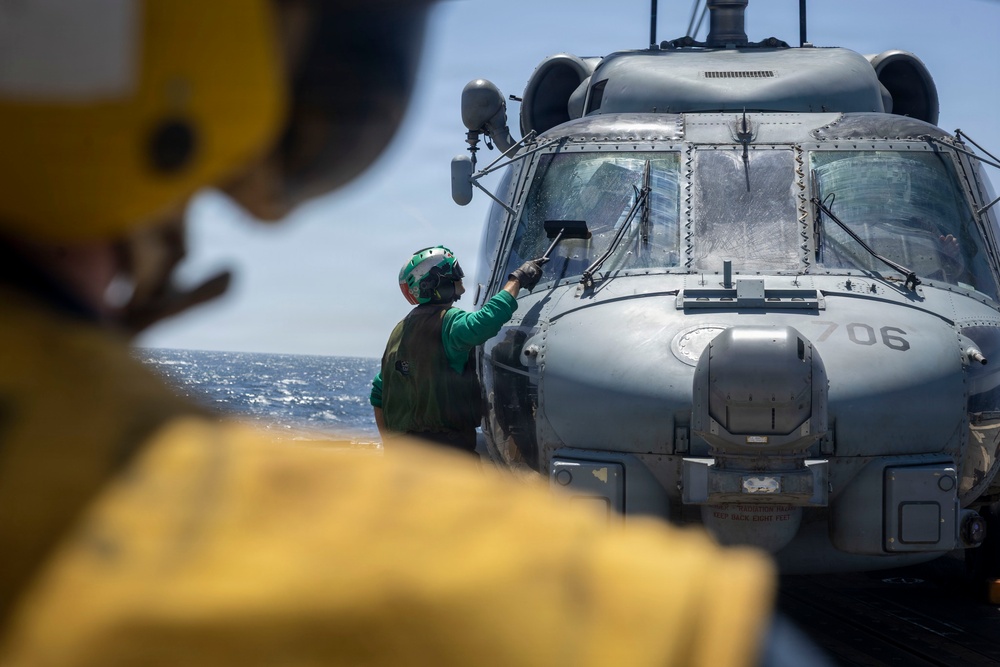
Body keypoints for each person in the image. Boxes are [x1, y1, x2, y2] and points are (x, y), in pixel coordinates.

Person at [0, 1, 830, 665]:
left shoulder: (404, 332)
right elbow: (483, 323)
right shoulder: (635, 628)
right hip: (441, 449)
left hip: (405, 439)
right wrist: (521, 281)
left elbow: (372, 388)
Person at [370, 246, 542, 454]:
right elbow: (486, 320)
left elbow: (378, 394)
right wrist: (517, 279)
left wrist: (389, 445)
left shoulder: (400, 330)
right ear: (436, 282)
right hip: (447, 457)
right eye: (455, 273)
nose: (460, 277)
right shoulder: (449, 323)